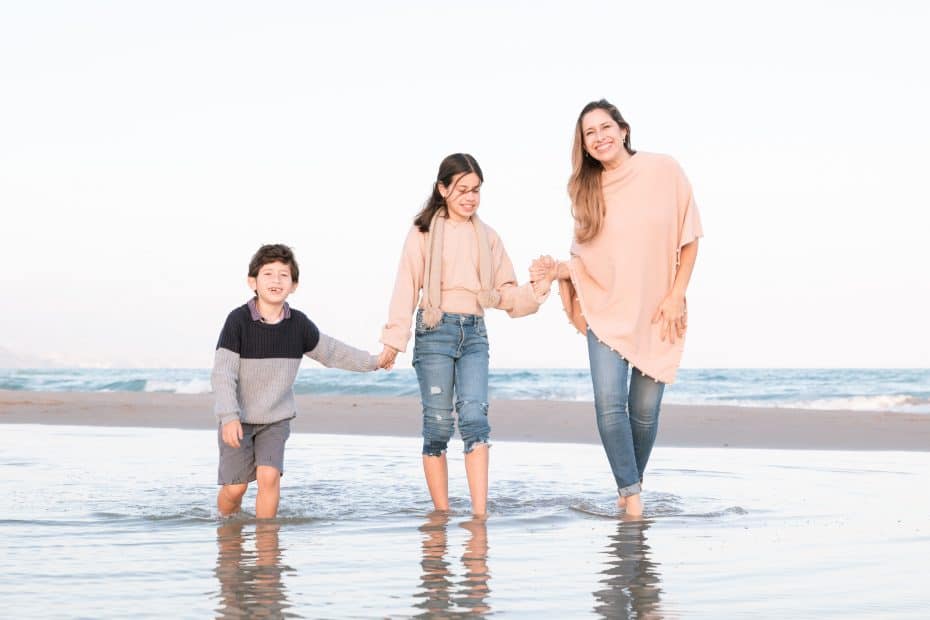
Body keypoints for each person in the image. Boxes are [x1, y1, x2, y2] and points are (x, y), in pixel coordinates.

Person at [531, 99, 703, 517]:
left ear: (623, 129)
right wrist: (557, 270)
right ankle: (634, 498)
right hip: (606, 312)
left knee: (644, 412)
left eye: (605, 127)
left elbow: (690, 236)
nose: (600, 137)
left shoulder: (665, 170)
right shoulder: (586, 191)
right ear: (585, 146)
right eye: (590, 133)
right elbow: (587, 259)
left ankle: (629, 492)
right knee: (608, 404)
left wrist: (676, 294)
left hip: (659, 309)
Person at [379, 153, 544, 516]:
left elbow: (507, 292)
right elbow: (406, 287)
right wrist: (394, 341)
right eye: (462, 189)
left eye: (476, 190)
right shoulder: (421, 233)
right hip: (433, 331)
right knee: (438, 426)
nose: (470, 197)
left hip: (474, 333)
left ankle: (479, 515)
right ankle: (441, 515)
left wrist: (536, 290)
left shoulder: (489, 237)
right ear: (443, 189)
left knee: (475, 420)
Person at [212, 243, 384, 519]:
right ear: (252, 282)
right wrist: (229, 416)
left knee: (269, 478)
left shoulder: (298, 325)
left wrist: (373, 361)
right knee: (236, 488)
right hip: (238, 419)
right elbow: (223, 373)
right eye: (268, 274)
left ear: (294, 285)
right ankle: (225, 525)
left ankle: (266, 544)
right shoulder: (238, 321)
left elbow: (331, 351)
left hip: (275, 420)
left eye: (284, 275)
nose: (276, 280)